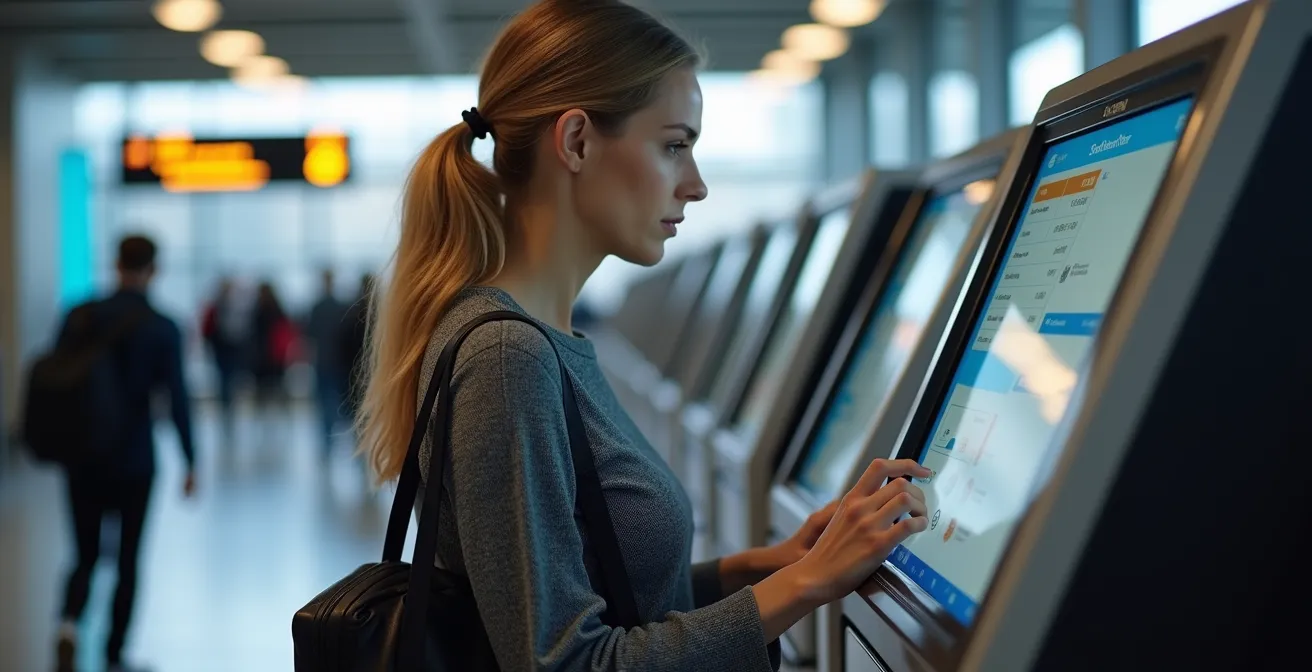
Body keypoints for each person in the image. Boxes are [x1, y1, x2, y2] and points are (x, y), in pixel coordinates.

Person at [358, 1, 930, 669]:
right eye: (675, 145)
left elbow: (610, 594)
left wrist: (770, 565)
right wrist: (806, 586)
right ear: (575, 142)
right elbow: (567, 661)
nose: (697, 185)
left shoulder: (545, 339)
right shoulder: (508, 356)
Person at [53, 235, 197, 672]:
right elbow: (177, 397)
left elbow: (58, 382)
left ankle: (68, 624)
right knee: (129, 558)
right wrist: (192, 460)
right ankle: (115, 653)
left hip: (81, 455)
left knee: (85, 551)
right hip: (135, 456)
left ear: (116, 265)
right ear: (154, 269)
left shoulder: (79, 315)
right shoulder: (161, 326)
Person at [304, 269, 350, 458]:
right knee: (336, 401)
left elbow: (309, 335)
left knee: (324, 402)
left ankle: (327, 441)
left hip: (323, 361)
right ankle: (334, 437)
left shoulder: (317, 307)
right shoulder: (340, 307)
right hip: (336, 362)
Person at [200, 276, 246, 441]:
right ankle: (227, 415)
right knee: (224, 384)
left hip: (230, 352)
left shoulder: (233, 306)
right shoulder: (217, 307)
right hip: (222, 352)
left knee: (229, 385)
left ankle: (229, 413)